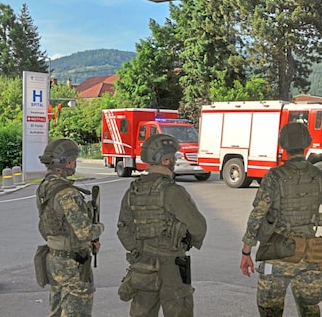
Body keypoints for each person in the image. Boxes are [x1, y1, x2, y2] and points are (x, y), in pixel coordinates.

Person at [240, 122, 322, 316]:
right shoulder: (321, 177)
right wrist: (314, 218)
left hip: (277, 255)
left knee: (270, 310)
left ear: (283, 145)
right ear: (306, 144)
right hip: (309, 257)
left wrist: (246, 252)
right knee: (310, 311)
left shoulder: (273, 177)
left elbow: (257, 216)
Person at [116, 134, 207, 317]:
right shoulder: (173, 191)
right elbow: (198, 226)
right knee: (178, 310)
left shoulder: (133, 189)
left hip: (143, 264)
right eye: (173, 157)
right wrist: (187, 243)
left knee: (142, 311)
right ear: (165, 160)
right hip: (171, 265)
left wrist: (138, 250)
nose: (174, 160)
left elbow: (123, 228)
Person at [36, 138, 105, 316]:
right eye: (73, 160)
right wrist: (99, 228)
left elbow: (54, 225)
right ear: (65, 162)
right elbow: (85, 232)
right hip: (72, 264)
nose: (74, 163)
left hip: (54, 258)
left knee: (57, 310)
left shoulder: (45, 187)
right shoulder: (67, 193)